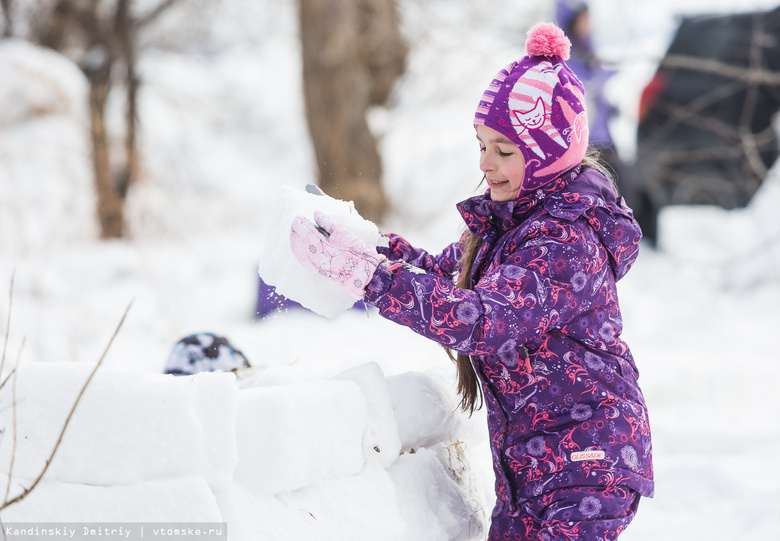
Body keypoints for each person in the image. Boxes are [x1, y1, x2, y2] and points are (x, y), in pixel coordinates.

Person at [290, 22, 653, 541]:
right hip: (529, 468)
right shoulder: (513, 224)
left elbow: (484, 321)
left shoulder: (565, 242)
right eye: (481, 146)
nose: (485, 166)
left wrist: (372, 279)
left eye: (504, 151)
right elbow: (450, 275)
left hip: (587, 462)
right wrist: (373, 247)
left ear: (551, 153)